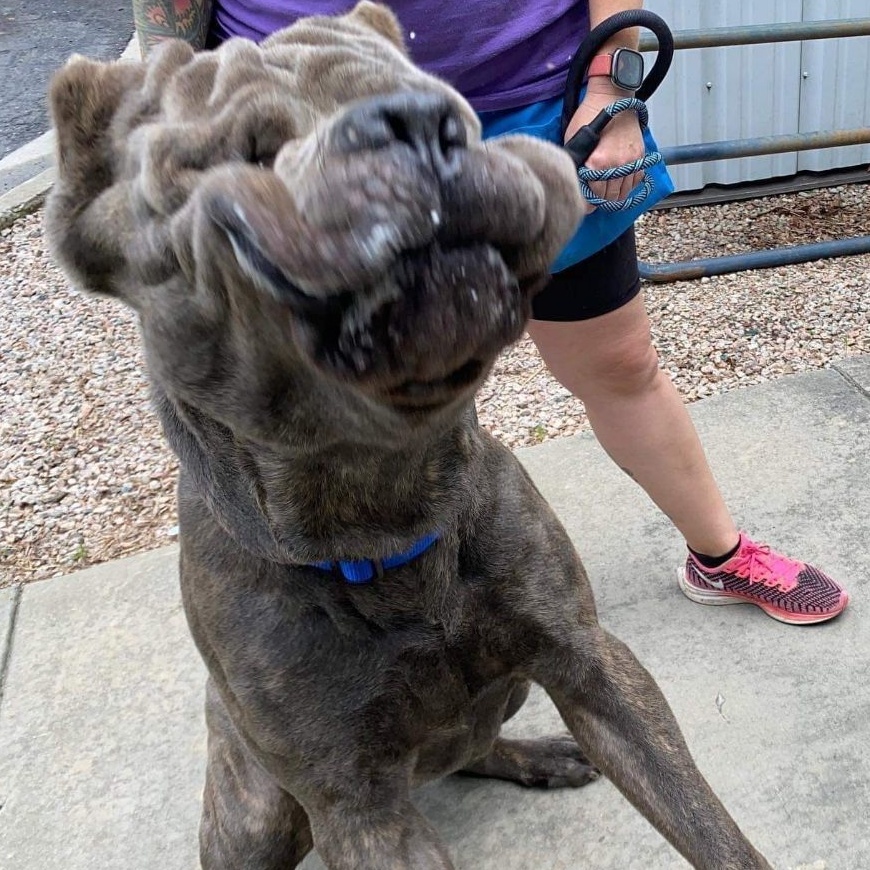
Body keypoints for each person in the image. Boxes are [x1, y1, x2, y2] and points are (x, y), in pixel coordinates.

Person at [131, 0, 849, 625]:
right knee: (347, 397)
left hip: (538, 104)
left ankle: (719, 556)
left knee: (620, 363)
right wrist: (173, 135)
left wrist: (614, 86)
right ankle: (377, 624)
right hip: (305, 127)